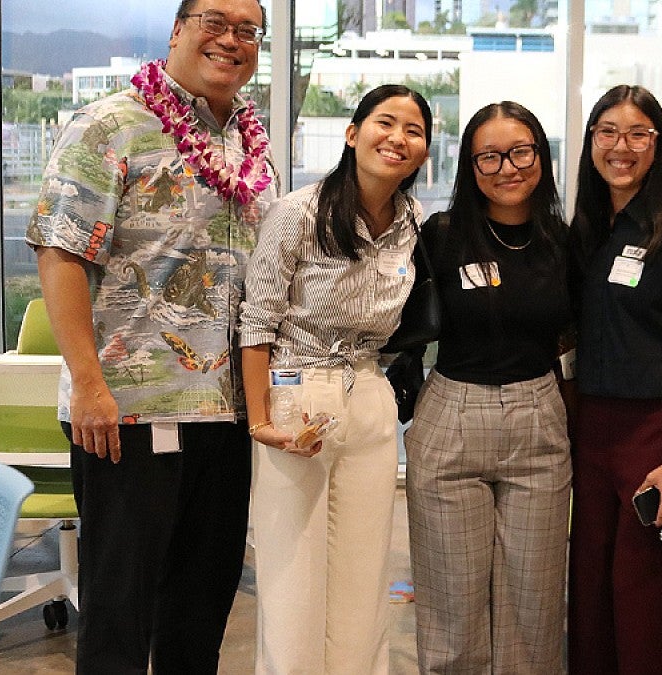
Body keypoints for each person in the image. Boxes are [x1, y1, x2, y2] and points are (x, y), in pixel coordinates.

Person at [26, 1, 274, 672]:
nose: (231, 40)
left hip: (225, 415)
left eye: (247, 30)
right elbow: (61, 253)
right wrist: (88, 385)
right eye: (213, 22)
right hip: (127, 413)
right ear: (177, 29)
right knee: (118, 618)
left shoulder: (249, 143)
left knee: (201, 612)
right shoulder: (112, 124)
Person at [237, 84, 431, 674]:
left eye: (414, 130)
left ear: (424, 152)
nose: (398, 138)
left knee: (363, 574)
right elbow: (257, 322)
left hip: (369, 393)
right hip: (298, 391)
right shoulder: (297, 213)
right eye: (385, 122)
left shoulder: (414, 223)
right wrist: (261, 419)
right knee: (293, 576)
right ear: (353, 134)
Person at [404, 101, 571, 674]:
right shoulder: (443, 235)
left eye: (521, 152)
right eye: (490, 157)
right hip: (453, 409)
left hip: (538, 416)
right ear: (471, 168)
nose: (508, 167)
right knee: (452, 609)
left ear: (541, 158)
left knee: (536, 603)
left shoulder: (561, 241)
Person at [566, 84, 662, 674]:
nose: (621, 147)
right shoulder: (588, 225)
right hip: (593, 429)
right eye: (607, 133)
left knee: (648, 595)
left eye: (638, 134)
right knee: (592, 589)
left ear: (659, 144)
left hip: (655, 429)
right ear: (590, 144)